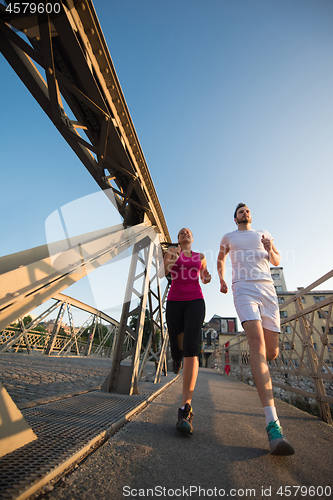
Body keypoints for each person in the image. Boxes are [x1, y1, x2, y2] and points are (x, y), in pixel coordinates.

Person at [217, 203, 295, 455]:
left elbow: (277, 259)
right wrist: (221, 279)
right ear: (235, 217)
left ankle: (258, 363)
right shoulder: (229, 237)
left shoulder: (263, 233)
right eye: (241, 211)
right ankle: (274, 426)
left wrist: (270, 247)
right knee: (258, 348)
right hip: (244, 288)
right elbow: (220, 258)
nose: (245, 213)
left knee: (270, 352)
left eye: (247, 210)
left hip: (267, 290)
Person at [164, 228, 211, 435]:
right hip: (174, 302)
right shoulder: (172, 252)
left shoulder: (201, 257)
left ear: (192, 238)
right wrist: (171, 257)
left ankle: (186, 408)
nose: (185, 234)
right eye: (181, 232)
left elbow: (203, 277)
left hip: (195, 301)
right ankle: (176, 358)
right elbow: (163, 272)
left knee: (192, 346)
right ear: (178, 239)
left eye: (188, 232)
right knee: (177, 347)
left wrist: (207, 276)